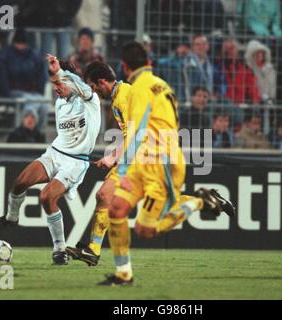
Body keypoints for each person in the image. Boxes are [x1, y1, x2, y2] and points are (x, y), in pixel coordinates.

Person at [95, 42, 235, 285]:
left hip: (160, 164)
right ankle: (123, 274)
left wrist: (124, 169)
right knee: (117, 209)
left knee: (145, 230)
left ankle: (200, 201)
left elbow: (137, 131)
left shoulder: (138, 89)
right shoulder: (163, 85)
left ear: (125, 67)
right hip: (147, 160)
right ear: (149, 61)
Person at [0, 55, 101, 266]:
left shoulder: (88, 99)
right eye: (53, 84)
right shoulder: (59, 103)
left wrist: (60, 72)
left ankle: (59, 250)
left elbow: (80, 87)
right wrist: (58, 77)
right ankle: (12, 217)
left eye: (59, 83)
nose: (56, 88)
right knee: (20, 183)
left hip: (75, 161)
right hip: (55, 153)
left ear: (70, 79)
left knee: (47, 197)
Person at [64, 61, 130, 266]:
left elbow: (138, 134)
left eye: (93, 87)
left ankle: (204, 201)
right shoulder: (118, 96)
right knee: (103, 196)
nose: (94, 92)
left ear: (102, 82)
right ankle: (93, 250)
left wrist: (112, 157)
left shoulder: (125, 95)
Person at [0, 28, 48, 132]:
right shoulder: (5, 55)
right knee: (28, 101)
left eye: (23, 43)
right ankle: (21, 133)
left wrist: (39, 92)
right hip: (12, 91)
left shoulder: (34, 55)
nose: (21, 46)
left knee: (43, 103)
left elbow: (41, 77)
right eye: (18, 43)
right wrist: (5, 93)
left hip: (31, 92)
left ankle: (39, 133)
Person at [183, 35, 214, 103]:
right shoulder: (187, 63)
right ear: (193, 47)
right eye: (197, 44)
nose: (201, 47)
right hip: (191, 101)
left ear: (208, 46)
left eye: (203, 44)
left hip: (206, 101)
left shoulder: (210, 63)